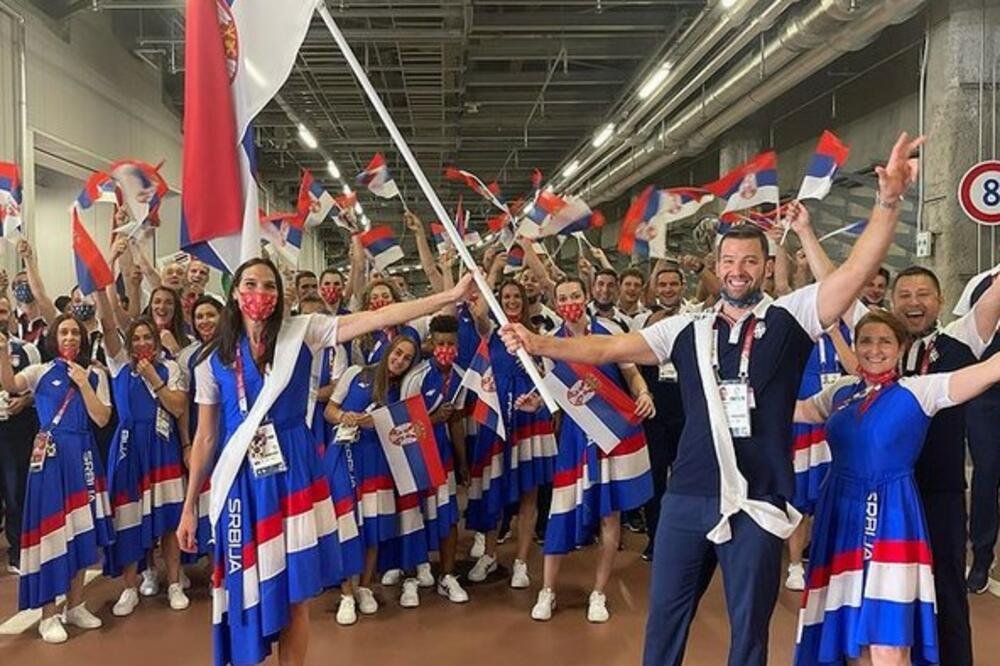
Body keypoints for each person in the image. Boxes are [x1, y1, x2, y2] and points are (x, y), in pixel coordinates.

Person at [499, 131, 923, 666]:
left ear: (764, 267)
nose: (738, 270)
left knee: (749, 632)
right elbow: (607, 347)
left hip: (757, 500)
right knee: (665, 621)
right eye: (729, 261)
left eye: (749, 261)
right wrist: (539, 343)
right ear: (716, 265)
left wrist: (888, 202)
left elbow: (857, 270)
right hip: (689, 496)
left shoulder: (792, 317)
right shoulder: (686, 328)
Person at [176, 257, 473, 666]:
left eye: (269, 285)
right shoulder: (213, 360)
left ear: (280, 294)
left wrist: (449, 296)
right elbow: (206, 437)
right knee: (245, 585)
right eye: (250, 284)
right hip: (242, 480)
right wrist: (189, 507)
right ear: (235, 293)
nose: (260, 293)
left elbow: (379, 316)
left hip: (295, 473)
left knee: (295, 595)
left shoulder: (303, 330)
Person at [793, 306, 999, 665]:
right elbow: (801, 411)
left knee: (888, 636)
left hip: (891, 516)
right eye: (866, 341)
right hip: (840, 514)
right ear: (854, 346)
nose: (874, 349)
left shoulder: (920, 390)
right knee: (848, 631)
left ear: (901, 347)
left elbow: (987, 370)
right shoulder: (842, 391)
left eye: (885, 341)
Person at [528, 277, 655, 623]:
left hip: (611, 432)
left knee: (609, 515)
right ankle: (547, 590)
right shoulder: (550, 343)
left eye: (575, 295)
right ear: (556, 304)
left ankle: (598, 593)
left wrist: (643, 393)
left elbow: (632, 374)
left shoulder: (610, 331)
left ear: (586, 297)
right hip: (574, 437)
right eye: (562, 297)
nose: (569, 302)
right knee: (559, 511)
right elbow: (551, 390)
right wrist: (536, 401)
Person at [889, 264, 997, 665]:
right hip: (886, 493)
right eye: (904, 295)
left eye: (923, 294)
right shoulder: (879, 344)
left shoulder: (960, 341)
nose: (913, 302)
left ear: (941, 301)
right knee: (888, 591)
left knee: (947, 590)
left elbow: (994, 298)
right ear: (891, 302)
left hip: (940, 492)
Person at [0, 314, 113, 644]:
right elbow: (10, 385)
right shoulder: (41, 371)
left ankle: (75, 605)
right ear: (54, 337)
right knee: (51, 534)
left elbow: (102, 417)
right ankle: (49, 614)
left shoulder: (95, 374)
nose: (70, 337)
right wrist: (3, 351)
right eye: (64, 332)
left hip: (83, 456)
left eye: (75, 332)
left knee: (82, 532)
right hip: (50, 459)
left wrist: (83, 383)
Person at [95, 302, 190, 615]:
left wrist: (153, 377)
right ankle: (131, 586)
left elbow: (177, 407)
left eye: (148, 337)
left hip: (162, 447)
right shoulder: (119, 364)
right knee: (129, 518)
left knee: (169, 518)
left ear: (157, 340)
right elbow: (108, 325)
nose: (142, 343)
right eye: (135, 338)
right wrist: (102, 290)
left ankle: (174, 583)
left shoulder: (170, 368)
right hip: (129, 449)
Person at [327, 335, 432, 613]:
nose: (399, 360)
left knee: (374, 524)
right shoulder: (356, 373)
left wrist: (379, 423)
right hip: (344, 454)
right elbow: (329, 410)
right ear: (388, 350)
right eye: (397, 353)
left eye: (407, 358)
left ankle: (364, 587)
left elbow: (408, 428)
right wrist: (344, 417)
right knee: (345, 522)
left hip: (379, 460)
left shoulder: (405, 390)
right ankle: (346, 594)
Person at [466, 279, 556, 589]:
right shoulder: (491, 331)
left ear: (525, 300)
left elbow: (549, 379)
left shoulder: (537, 336)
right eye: (506, 297)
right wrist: (486, 276)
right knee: (493, 486)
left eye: (517, 296)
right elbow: (479, 316)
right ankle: (489, 554)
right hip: (497, 418)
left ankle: (521, 562)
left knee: (529, 491)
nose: (512, 301)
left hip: (529, 418)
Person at [400, 314, 469, 604]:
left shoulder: (461, 376)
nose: (445, 349)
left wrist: (462, 462)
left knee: (448, 514)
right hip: (415, 455)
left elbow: (455, 421)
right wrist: (432, 419)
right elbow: (402, 424)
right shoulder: (415, 376)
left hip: (443, 454)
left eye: (450, 344)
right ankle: (410, 577)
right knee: (413, 516)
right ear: (430, 343)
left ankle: (448, 576)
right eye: (440, 343)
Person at [953, 267, 1000, 595]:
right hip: (986, 394)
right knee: (987, 473)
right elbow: (962, 336)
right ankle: (982, 556)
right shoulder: (981, 282)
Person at [0, 296, 40, 575]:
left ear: (11, 315)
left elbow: (41, 387)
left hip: (16, 432)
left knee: (16, 493)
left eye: (3, 311)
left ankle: (18, 552)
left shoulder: (27, 349)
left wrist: (25, 400)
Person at [353, 280, 421, 365]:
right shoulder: (361, 338)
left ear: (395, 301)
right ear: (367, 305)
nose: (381, 301)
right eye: (375, 298)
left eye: (386, 296)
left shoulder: (409, 332)